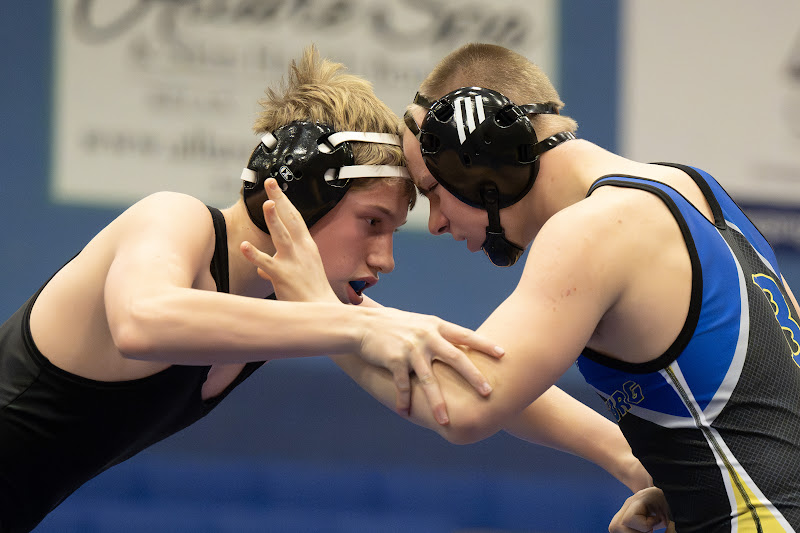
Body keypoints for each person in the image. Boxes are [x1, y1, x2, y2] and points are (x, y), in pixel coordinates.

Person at [247, 43, 800, 532]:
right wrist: (648, 467)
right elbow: (493, 370)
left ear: (483, 153)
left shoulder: (592, 230)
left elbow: (463, 404)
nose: (436, 222)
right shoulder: (687, 187)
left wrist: (322, 315)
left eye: (434, 189)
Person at [0, 46, 510, 533]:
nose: (386, 258)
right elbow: (140, 322)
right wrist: (355, 326)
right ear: (298, 194)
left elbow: (467, 375)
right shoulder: (174, 219)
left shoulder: (298, 301)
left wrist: (596, 443)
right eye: (373, 222)